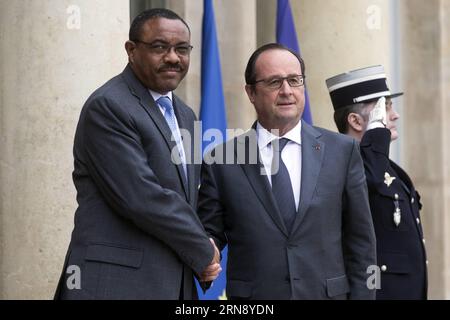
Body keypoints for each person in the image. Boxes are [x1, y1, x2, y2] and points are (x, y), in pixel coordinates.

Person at [54, 8, 221, 300]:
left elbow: (186, 199)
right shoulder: (109, 106)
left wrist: (208, 244)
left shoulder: (186, 115)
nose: (173, 57)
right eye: (159, 47)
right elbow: (141, 196)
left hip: (172, 283)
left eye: (182, 49)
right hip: (116, 284)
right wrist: (203, 250)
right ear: (131, 50)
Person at [197, 43, 376, 300]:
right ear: (251, 92)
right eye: (274, 82)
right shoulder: (221, 160)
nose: (287, 91)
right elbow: (209, 234)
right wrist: (204, 254)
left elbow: (363, 244)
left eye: (295, 80)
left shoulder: (342, 151)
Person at [326, 65, 427, 299]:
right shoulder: (341, 167)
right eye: (384, 107)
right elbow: (366, 182)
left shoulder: (392, 170)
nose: (394, 115)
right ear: (356, 121)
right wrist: (376, 135)